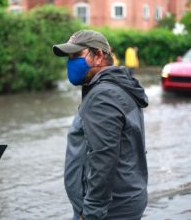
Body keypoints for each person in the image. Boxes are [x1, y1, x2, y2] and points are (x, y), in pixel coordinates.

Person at [52, 30, 149, 220]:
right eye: (69, 57)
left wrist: (91, 213)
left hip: (109, 211)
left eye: (77, 56)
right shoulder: (119, 86)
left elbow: (103, 160)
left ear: (98, 55)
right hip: (126, 201)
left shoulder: (103, 97)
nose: (71, 63)